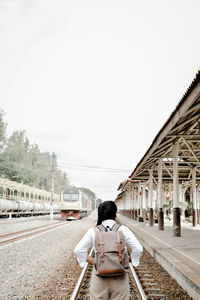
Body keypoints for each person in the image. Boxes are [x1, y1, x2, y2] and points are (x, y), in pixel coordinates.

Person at [74, 200, 143, 300]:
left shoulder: (94, 231)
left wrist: (94, 261)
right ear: (115, 214)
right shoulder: (123, 230)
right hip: (120, 278)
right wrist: (128, 260)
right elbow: (138, 249)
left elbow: (78, 250)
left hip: (100, 278)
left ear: (101, 214)